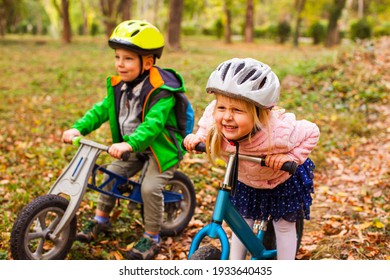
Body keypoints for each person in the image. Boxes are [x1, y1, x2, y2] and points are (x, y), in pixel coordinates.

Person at [62, 20, 187, 260]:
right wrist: (78, 128)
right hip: (132, 148)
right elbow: (100, 111)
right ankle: (100, 220)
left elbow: (153, 125)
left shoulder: (162, 92)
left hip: (161, 150)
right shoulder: (120, 86)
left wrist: (129, 143)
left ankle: (152, 236)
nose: (120, 64)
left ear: (147, 62)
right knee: (110, 174)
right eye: (117, 57)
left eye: (128, 58)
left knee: (150, 188)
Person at [184, 58, 320, 260]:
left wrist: (290, 157)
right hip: (247, 178)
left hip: (280, 179)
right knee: (241, 221)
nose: (227, 117)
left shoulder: (279, 133)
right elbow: (208, 124)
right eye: (222, 108)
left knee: (283, 225)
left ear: (259, 113)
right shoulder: (215, 118)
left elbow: (312, 132)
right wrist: (199, 137)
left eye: (237, 110)